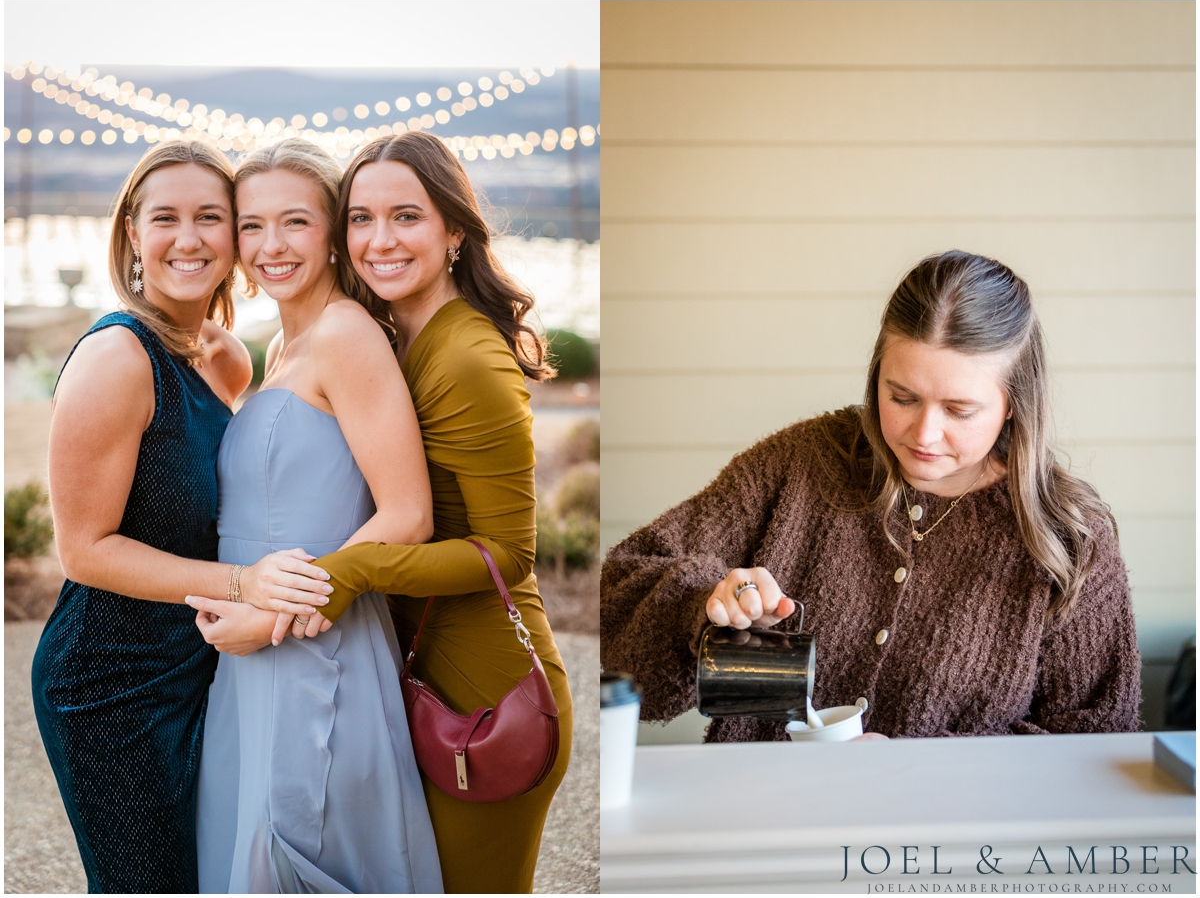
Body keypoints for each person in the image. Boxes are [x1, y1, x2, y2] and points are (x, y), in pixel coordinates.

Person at [601, 249, 1141, 742]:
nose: (923, 435)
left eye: (959, 411)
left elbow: (1093, 747)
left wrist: (917, 770)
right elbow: (616, 593)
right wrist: (708, 609)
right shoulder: (804, 463)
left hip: (953, 850)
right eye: (901, 396)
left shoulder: (1068, 537)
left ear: (1015, 406)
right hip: (758, 825)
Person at [30, 140, 334, 894]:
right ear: (133, 233)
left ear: (236, 236)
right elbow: (86, 551)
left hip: (203, 663)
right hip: (109, 680)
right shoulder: (118, 358)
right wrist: (247, 585)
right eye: (165, 218)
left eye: (211, 217)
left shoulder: (226, 357)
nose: (190, 238)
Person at [300, 131, 574, 893]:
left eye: (405, 217)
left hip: (490, 696)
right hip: (422, 678)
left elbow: (508, 552)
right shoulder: (395, 338)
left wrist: (347, 570)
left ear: (455, 230)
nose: (378, 241)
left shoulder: (466, 358)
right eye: (359, 219)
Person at [183, 139, 443, 893]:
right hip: (250, 661)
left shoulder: (347, 337)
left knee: (298, 854)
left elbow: (407, 514)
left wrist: (268, 621)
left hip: (316, 649)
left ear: (333, 230)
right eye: (251, 225)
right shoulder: (276, 347)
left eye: (293, 223)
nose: (270, 247)